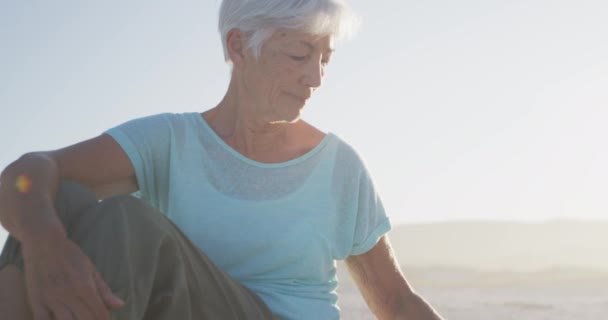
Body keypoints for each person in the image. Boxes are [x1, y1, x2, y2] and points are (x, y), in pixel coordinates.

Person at [0, 0, 444, 319]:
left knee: (124, 220)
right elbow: (25, 173)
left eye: (325, 59)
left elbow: (396, 302)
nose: (316, 78)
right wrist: (46, 247)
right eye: (299, 55)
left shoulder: (337, 167)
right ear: (238, 47)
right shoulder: (170, 141)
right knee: (51, 204)